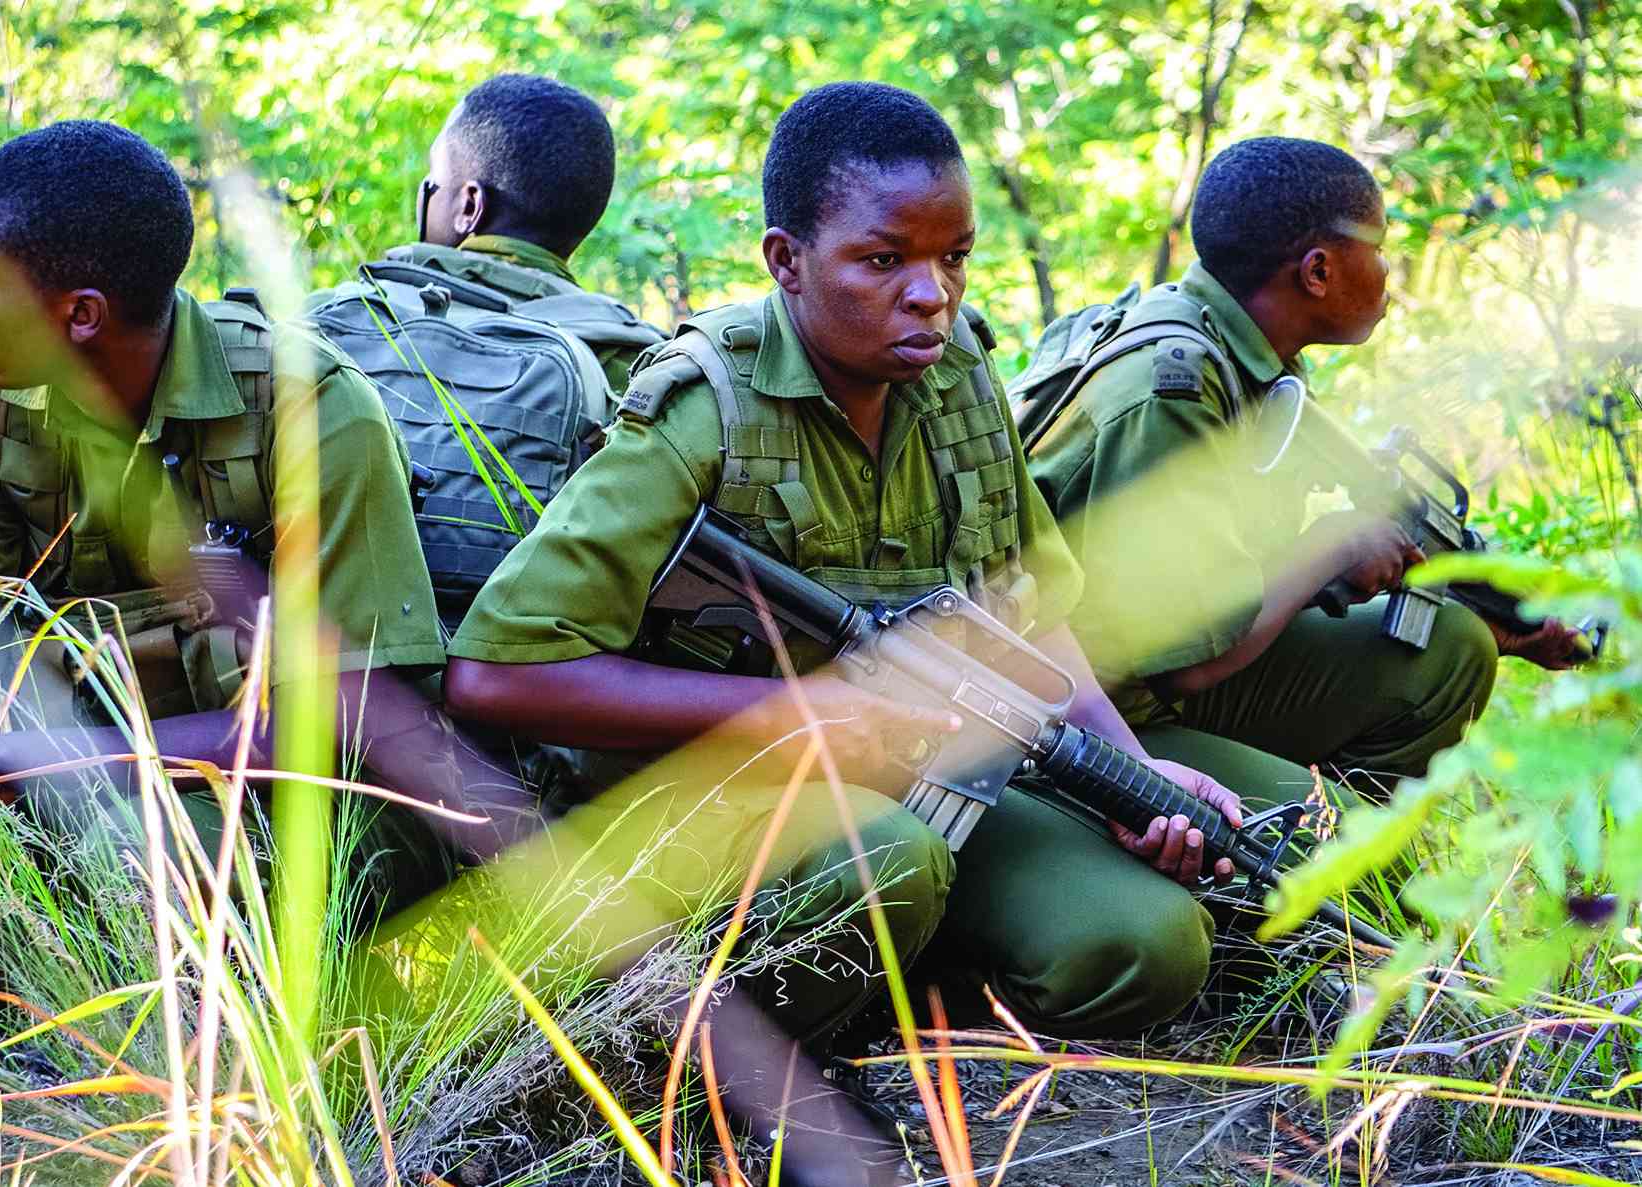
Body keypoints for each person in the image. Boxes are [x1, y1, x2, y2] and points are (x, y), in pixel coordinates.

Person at [438, 82, 1245, 1182]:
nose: (931, 296)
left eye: (954, 259)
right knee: (885, 859)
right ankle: (694, 1058)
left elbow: (1034, 612)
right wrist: (800, 713)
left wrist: (1126, 769)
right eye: (882, 262)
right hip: (708, 800)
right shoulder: (703, 404)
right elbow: (496, 673)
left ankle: (895, 999)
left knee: (1143, 951)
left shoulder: (957, 381)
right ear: (786, 260)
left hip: (932, 778)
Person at [0, 121, 518, 1027]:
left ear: (80, 315)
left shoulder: (313, 412)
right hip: (55, 786)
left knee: (134, 894)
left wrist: (83, 760)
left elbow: (362, 727)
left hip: (293, 797)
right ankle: (6, 1000)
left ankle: (188, 1037)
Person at [1025, 136, 1585, 802]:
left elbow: (1239, 570)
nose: (1390, 272)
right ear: (1318, 271)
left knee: (1455, 643)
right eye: (1378, 249)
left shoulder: (1242, 349)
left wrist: (1504, 612)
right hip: (1093, 711)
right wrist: (1334, 547)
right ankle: (1296, 879)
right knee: (1321, 835)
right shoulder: (1173, 388)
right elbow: (1185, 664)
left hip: (1147, 669)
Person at [400, 71, 661, 391]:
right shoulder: (637, 368)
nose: (427, 190)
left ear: (469, 207)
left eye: (434, 176)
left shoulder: (365, 315)